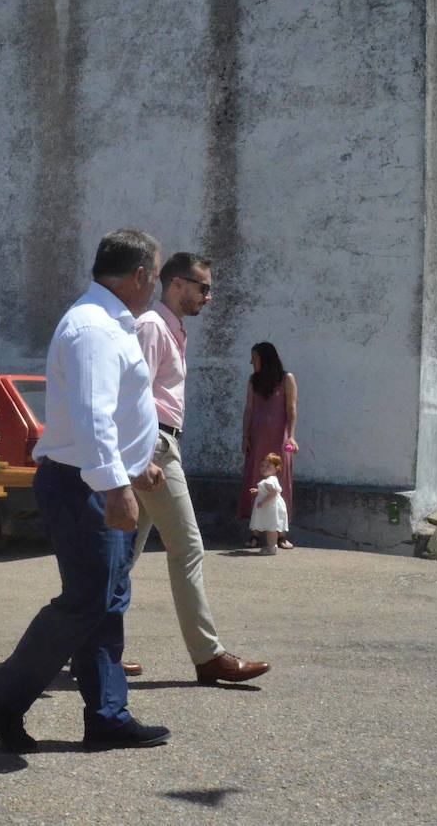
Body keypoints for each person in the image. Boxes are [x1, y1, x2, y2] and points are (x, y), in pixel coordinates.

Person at [0, 229, 170, 753]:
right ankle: (5, 695)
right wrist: (115, 485)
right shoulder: (93, 328)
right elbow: (90, 416)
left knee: (107, 600)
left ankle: (107, 716)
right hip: (82, 484)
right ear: (141, 275)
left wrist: (134, 467)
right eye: (156, 275)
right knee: (86, 601)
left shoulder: (110, 323)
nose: (154, 285)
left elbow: (111, 414)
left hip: (97, 478)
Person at [131, 252, 271, 684]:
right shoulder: (152, 328)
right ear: (176, 284)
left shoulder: (171, 330)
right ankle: (208, 656)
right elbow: (132, 394)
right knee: (188, 548)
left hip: (159, 442)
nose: (208, 297)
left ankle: (92, 651)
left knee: (121, 557)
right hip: (155, 443)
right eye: (203, 287)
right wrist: (144, 454)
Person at [237, 342, 298, 548]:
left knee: (282, 484)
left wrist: (291, 436)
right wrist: (245, 435)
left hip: (280, 440)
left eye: (254, 357)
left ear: (265, 358)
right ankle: (254, 533)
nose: (251, 362)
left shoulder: (286, 379)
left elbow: (291, 409)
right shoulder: (253, 381)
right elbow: (249, 408)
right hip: (257, 439)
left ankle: (281, 535)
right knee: (256, 482)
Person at [249, 454, 289, 555]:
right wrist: (258, 491)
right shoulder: (271, 479)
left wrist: (262, 502)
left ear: (276, 469)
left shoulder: (268, 481)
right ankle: (271, 546)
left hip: (270, 507)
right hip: (272, 507)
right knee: (270, 527)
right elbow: (268, 491)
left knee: (271, 528)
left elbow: (273, 493)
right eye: (262, 465)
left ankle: (272, 548)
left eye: (268, 466)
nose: (264, 468)